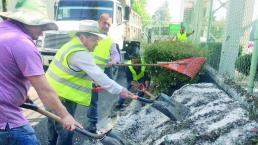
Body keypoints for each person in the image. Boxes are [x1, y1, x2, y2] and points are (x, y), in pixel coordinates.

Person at [0, 0, 81, 145]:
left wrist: (22, 94)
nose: (43, 32)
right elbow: (44, 89)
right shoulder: (22, 43)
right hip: (7, 123)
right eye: (41, 26)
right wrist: (65, 115)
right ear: (28, 22)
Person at [46, 20, 135, 145]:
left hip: (50, 93)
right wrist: (121, 90)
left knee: (54, 128)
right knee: (66, 131)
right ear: (83, 38)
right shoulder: (80, 53)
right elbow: (99, 75)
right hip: (61, 97)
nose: (97, 44)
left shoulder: (72, 45)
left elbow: (73, 71)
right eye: (95, 40)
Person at [86, 13, 121, 133]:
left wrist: (113, 60)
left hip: (95, 77)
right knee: (72, 99)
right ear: (99, 22)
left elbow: (116, 55)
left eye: (109, 24)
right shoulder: (89, 34)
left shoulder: (109, 40)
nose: (106, 26)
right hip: (81, 73)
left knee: (92, 102)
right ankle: (66, 122)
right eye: (104, 23)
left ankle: (91, 125)